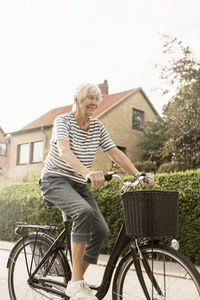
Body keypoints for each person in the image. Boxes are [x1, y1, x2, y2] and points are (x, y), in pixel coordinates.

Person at [39, 83, 154, 300]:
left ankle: (76, 282)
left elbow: (115, 153)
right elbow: (64, 150)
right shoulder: (62, 121)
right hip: (54, 180)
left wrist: (138, 174)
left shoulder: (97, 126)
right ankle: (75, 283)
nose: (93, 102)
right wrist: (87, 172)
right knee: (83, 212)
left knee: (101, 230)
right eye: (89, 98)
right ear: (77, 100)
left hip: (78, 184)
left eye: (96, 99)